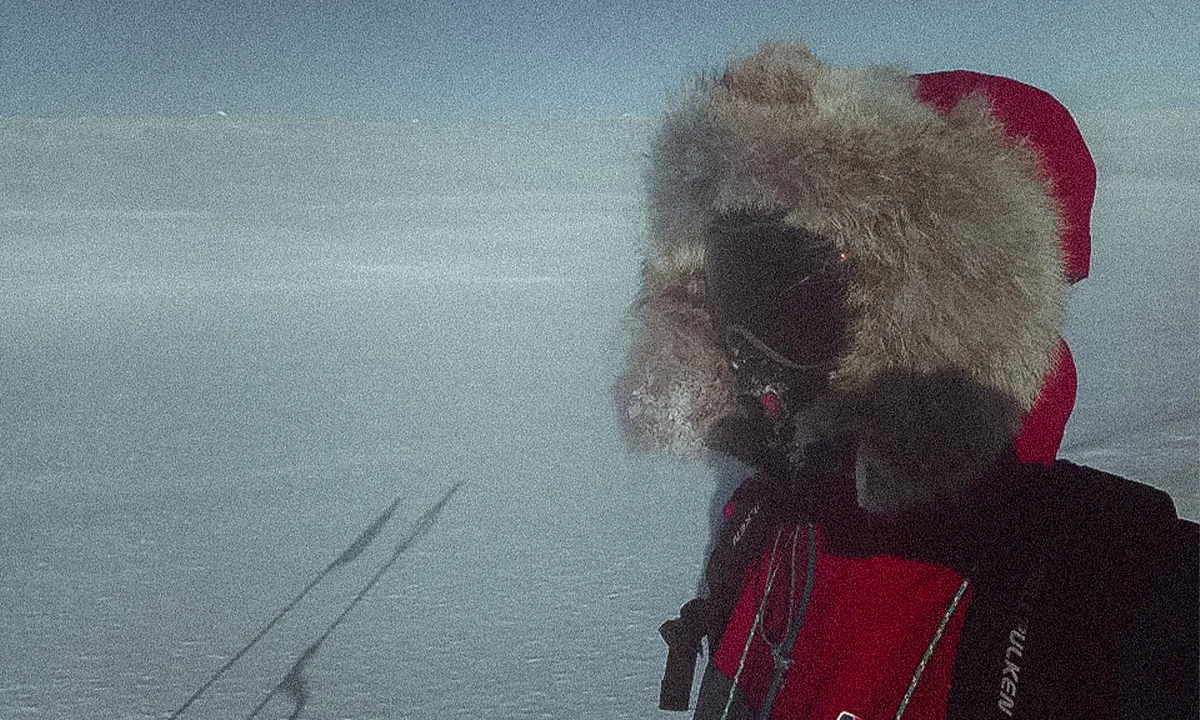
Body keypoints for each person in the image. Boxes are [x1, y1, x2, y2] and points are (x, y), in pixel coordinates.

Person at [614, 43, 1198, 719]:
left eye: (788, 277)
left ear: (941, 300)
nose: (744, 341)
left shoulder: (1115, 591)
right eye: (734, 276)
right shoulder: (765, 525)